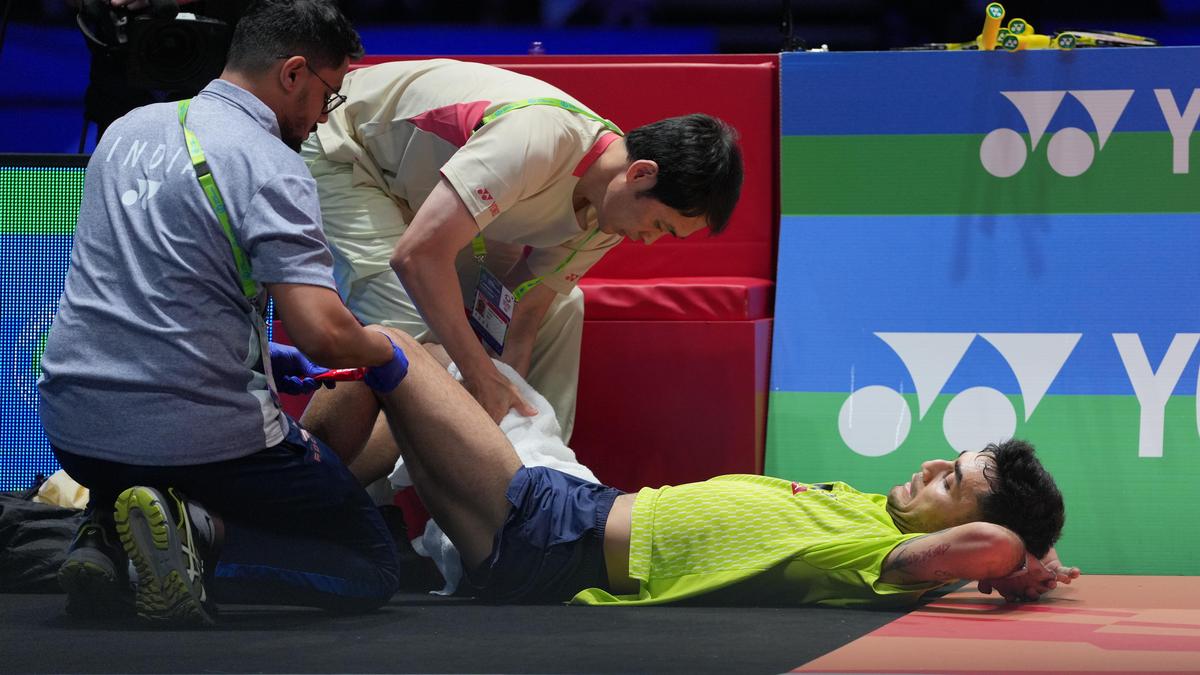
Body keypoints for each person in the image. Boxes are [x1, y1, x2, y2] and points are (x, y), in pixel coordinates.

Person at [38, 0, 410, 626]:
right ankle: (194, 541)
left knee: (144, 454)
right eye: (329, 94)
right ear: (293, 74)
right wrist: (392, 349)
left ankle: (104, 529)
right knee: (370, 563)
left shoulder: (126, 130)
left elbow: (155, 290)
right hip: (198, 440)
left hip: (74, 429)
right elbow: (323, 334)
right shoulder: (274, 165)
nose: (323, 119)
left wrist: (265, 356)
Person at [303, 327, 1080, 607]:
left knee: (390, 347)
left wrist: (1023, 557)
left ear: (975, 529)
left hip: (546, 533)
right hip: (566, 506)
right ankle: (303, 509)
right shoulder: (869, 512)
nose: (934, 463)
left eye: (955, 480)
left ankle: (276, 496)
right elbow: (988, 539)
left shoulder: (883, 558)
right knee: (422, 372)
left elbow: (994, 548)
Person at [300, 58, 744, 450]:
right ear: (641, 174)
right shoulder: (538, 138)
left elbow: (525, 311)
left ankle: (530, 470)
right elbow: (416, 257)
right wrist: (478, 374)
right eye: (660, 225)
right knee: (427, 352)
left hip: (436, 201)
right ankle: (320, 487)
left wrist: (503, 395)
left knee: (562, 309)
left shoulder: (611, 214)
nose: (648, 241)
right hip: (349, 154)